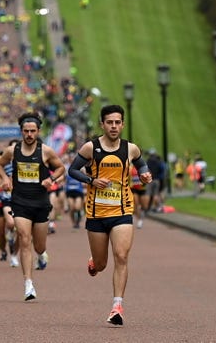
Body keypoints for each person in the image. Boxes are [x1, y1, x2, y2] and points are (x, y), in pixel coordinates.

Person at [67, 104, 152, 326]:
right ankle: (94, 263)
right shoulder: (90, 148)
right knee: (102, 264)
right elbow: (72, 170)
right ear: (102, 124)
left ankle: (117, 306)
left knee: (121, 256)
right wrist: (91, 180)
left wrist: (144, 174)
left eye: (117, 122)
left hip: (122, 210)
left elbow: (142, 165)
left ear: (122, 124)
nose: (113, 126)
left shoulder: (130, 149)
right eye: (109, 122)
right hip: (96, 213)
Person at [0, 112, 65, 301]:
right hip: (19, 201)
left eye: (32, 131)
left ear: (38, 131)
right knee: (24, 239)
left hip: (41, 202)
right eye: (26, 131)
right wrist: (4, 179)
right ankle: (28, 284)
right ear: (21, 131)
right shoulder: (12, 150)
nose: (29, 135)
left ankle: (42, 255)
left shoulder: (46, 151)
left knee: (39, 245)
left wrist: (50, 179)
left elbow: (61, 168)